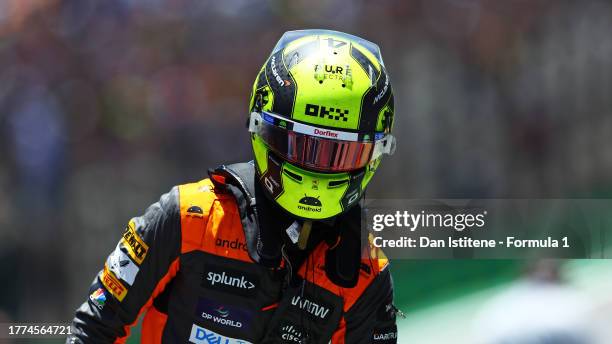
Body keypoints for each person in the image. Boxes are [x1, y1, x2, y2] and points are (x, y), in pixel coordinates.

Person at [67, 29, 398, 344]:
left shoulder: (366, 274)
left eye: (338, 154)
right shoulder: (188, 219)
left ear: (374, 153)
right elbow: (94, 328)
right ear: (262, 128)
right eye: (301, 146)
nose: (316, 170)